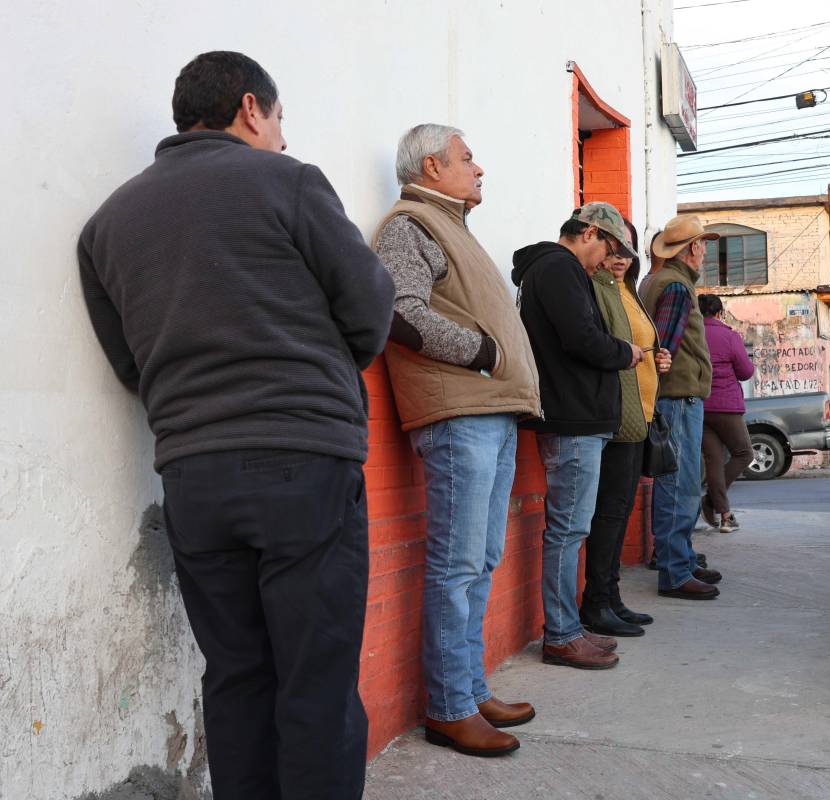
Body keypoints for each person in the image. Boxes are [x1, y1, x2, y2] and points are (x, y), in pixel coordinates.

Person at [77, 52, 394, 798]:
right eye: (279, 120)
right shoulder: (288, 181)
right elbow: (370, 311)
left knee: (237, 676)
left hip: (192, 475)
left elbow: (130, 363)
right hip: (302, 461)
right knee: (315, 683)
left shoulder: (106, 223)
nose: (283, 137)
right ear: (251, 108)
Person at [372, 124, 541, 758]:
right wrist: (485, 352)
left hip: (487, 412)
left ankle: (468, 690)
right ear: (433, 165)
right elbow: (401, 312)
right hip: (459, 414)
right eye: (468, 158)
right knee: (456, 566)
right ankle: (448, 707)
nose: (479, 168)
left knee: (480, 560)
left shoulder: (450, 227)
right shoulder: (409, 224)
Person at [511, 202, 642, 669]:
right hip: (572, 419)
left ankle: (567, 627)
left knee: (570, 529)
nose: (609, 259)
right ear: (588, 232)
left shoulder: (552, 269)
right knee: (568, 531)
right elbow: (581, 339)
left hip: (574, 416)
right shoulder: (558, 268)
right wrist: (626, 352)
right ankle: (561, 634)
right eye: (607, 246)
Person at [582, 218, 670, 637]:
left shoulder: (627, 292)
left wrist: (659, 358)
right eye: (613, 249)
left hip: (643, 411)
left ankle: (611, 597)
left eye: (628, 251)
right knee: (609, 512)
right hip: (618, 413)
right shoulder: (595, 288)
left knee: (620, 511)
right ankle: (597, 601)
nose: (620, 258)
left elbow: (641, 345)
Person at [639, 214, 722, 600]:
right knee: (680, 486)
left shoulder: (663, 280)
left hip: (677, 397)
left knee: (681, 484)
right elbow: (664, 346)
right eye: (703, 244)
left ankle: (681, 560)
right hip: (677, 399)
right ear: (692, 248)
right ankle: (674, 570)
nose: (705, 251)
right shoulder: (674, 285)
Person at [697, 294, 755, 533]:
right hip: (726, 407)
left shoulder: (692, 334)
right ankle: (711, 502)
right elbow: (745, 371)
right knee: (744, 454)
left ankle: (725, 516)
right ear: (720, 313)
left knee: (714, 460)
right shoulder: (729, 336)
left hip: (700, 405)